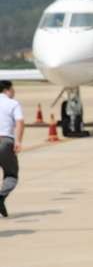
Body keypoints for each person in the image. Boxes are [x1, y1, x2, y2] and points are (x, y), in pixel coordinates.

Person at [0, 80, 24, 217]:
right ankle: (1, 197)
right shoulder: (13, 103)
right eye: (13, 89)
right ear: (7, 90)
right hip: (5, 142)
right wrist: (18, 141)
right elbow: (19, 122)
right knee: (11, 175)